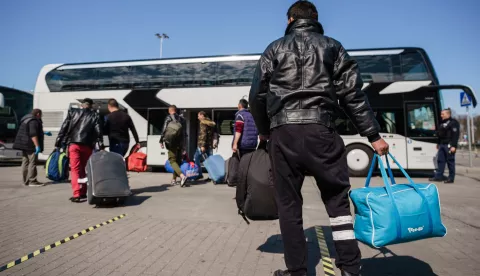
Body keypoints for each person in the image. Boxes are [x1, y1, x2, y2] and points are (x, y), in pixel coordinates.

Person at [249, 2, 389, 276]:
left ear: (290, 19)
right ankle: (350, 267)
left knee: (289, 205)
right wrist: (373, 135)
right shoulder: (333, 47)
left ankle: (297, 270)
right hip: (322, 131)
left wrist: (265, 131)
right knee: (337, 202)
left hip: (283, 133)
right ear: (315, 18)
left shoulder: (274, 48)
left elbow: (257, 95)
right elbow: (352, 95)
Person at [55, 98, 103, 202]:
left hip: (74, 144)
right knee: (85, 169)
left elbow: (64, 127)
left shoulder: (72, 112)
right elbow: (98, 131)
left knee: (75, 169)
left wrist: (58, 142)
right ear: (91, 106)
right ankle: (84, 192)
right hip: (87, 145)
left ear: (82, 105)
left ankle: (76, 194)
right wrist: (100, 143)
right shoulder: (95, 115)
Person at [13, 109, 51, 186]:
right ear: (37, 114)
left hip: (24, 144)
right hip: (30, 145)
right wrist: (37, 146)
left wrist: (43, 132)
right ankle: (32, 181)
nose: (41, 117)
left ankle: (26, 181)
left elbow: (30, 130)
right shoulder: (33, 121)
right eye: (41, 115)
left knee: (25, 162)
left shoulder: (27, 119)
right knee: (32, 162)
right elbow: (33, 134)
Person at [160, 105, 188, 187]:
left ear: (170, 110)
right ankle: (174, 179)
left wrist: (161, 140)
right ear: (175, 110)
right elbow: (184, 133)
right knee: (178, 161)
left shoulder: (168, 118)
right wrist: (184, 145)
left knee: (172, 160)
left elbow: (164, 130)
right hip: (180, 143)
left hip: (171, 143)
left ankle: (182, 176)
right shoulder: (182, 119)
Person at [429, 108, 460, 184]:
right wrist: (438, 143)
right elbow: (440, 134)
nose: (441, 115)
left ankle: (451, 178)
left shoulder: (453, 122)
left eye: (443, 114)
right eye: (441, 114)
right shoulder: (442, 122)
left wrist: (454, 146)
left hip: (449, 145)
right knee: (440, 161)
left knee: (450, 162)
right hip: (442, 144)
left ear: (448, 114)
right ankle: (439, 176)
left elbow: (455, 135)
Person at [195, 111, 216, 180]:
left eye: (198, 116)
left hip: (202, 145)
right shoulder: (210, 122)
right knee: (209, 160)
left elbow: (203, 135)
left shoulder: (203, 123)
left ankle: (199, 174)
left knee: (196, 158)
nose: (198, 118)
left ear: (202, 116)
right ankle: (211, 176)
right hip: (209, 145)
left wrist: (202, 145)